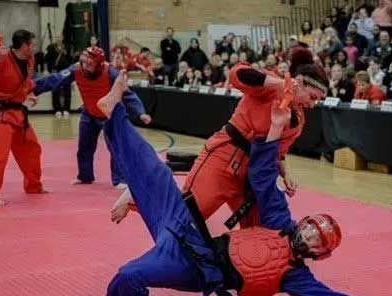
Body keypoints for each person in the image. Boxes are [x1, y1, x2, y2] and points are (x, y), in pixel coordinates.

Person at [97, 72, 392, 296]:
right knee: (156, 173)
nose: (310, 235)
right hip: (189, 229)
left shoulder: (296, 277)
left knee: (130, 276)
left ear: (318, 254)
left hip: (196, 266)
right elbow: (261, 176)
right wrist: (273, 129)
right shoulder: (280, 221)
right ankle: (116, 113)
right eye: (312, 229)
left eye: (316, 240)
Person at [113, 46, 328, 231]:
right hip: (222, 159)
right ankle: (137, 194)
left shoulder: (299, 120)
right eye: (312, 97)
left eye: (318, 100)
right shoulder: (270, 85)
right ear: (298, 82)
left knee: (261, 230)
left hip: (250, 175)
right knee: (183, 219)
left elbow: (279, 152)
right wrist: (278, 84)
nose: (313, 104)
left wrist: (286, 174)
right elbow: (237, 74)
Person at [34, 47, 151, 187]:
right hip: (89, 112)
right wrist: (33, 88)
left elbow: (128, 94)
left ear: (99, 64)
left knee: (116, 148)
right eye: (83, 62)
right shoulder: (75, 69)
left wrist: (141, 112)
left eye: (88, 64)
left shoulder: (112, 73)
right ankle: (85, 176)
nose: (84, 66)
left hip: (110, 115)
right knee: (84, 146)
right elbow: (55, 79)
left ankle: (119, 179)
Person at [0, 29, 46, 206]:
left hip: (18, 111)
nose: (34, 47)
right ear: (24, 46)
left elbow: (24, 81)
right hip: (0, 112)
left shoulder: (30, 59)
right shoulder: (2, 58)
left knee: (32, 148)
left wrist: (27, 94)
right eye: (32, 44)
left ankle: (33, 186)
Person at [44, 35, 74, 118]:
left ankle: (66, 109)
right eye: (56, 37)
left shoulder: (67, 47)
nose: (58, 38)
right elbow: (46, 59)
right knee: (55, 90)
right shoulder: (50, 47)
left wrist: (66, 53)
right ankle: (57, 110)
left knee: (67, 90)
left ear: (62, 38)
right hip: (55, 72)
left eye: (59, 37)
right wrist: (47, 70)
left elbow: (71, 59)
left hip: (66, 72)